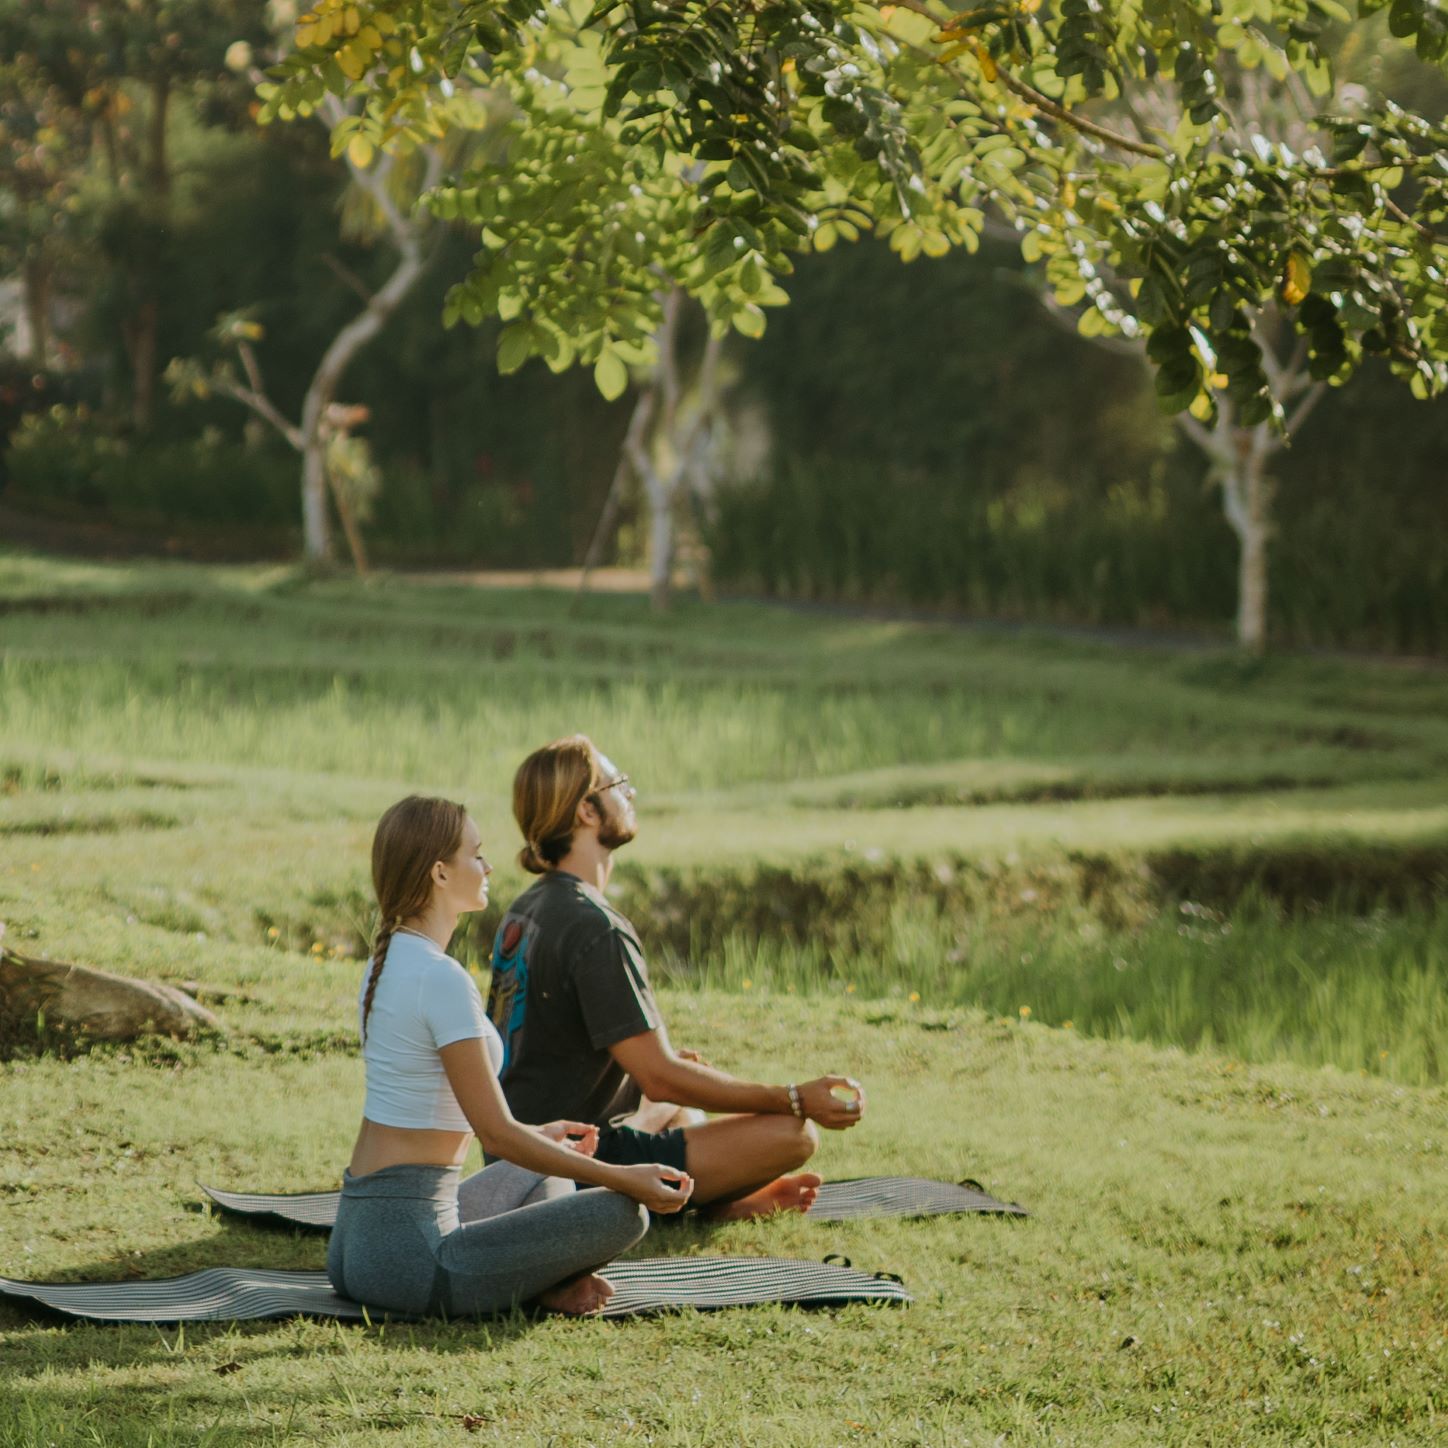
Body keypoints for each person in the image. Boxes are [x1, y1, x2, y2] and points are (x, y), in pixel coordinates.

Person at [326, 795, 693, 1319]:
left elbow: (452, 1116)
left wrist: (539, 1139)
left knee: (545, 1172)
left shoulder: (390, 962)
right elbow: (496, 1134)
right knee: (623, 1212)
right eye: (476, 854)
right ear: (440, 874)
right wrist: (625, 1176)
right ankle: (543, 1281)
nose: (488, 865)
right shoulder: (440, 977)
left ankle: (542, 1281)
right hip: (411, 1260)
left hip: (360, 1241)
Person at [487, 735, 866, 1221]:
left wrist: (645, 1082)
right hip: (573, 1165)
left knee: (685, 1102)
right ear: (586, 810)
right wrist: (792, 1097)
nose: (632, 794)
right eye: (619, 785)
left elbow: (554, 1056)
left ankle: (719, 1199)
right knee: (792, 1133)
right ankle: (697, 1202)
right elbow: (662, 1077)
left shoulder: (526, 910)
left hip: (518, 1157)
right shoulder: (594, 926)